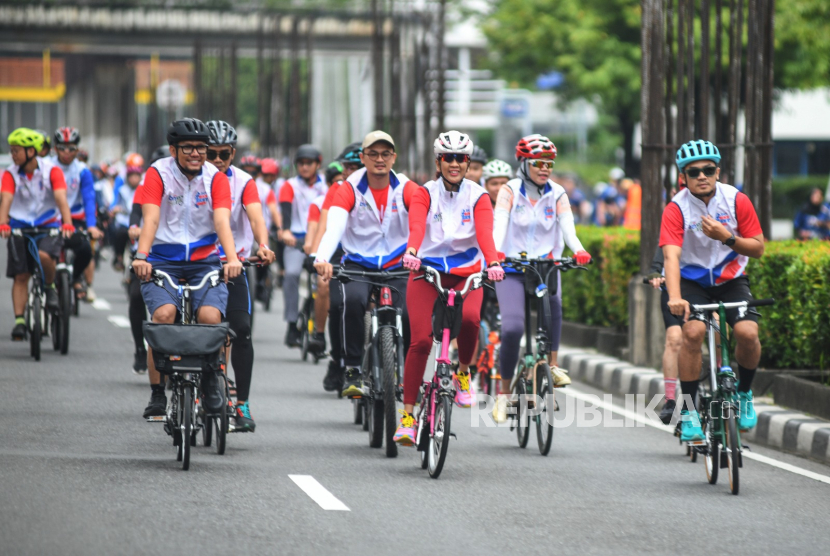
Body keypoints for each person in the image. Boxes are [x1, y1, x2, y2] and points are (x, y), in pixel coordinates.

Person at [392, 130, 505, 446]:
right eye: (448, 158)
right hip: (426, 271)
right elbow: (416, 226)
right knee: (420, 343)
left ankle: (463, 374)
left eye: (460, 158)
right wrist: (412, 251)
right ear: (438, 161)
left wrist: (493, 263)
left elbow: (485, 234)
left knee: (470, 321)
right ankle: (408, 417)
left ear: (468, 162)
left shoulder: (479, 196)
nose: (454, 163)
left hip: (467, 273)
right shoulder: (424, 193)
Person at [132, 118, 242, 419]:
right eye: (188, 148)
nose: (196, 153)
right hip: (162, 259)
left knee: (210, 317)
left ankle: (210, 380)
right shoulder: (158, 173)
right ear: (173, 149)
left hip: (204, 261)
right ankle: (157, 391)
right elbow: (151, 218)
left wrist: (231, 259)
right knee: (163, 316)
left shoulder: (215, 178)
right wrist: (142, 256)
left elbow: (222, 222)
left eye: (201, 148)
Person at [660, 139, 766, 441]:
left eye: (708, 170)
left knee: (747, 333)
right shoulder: (676, 208)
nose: (701, 176)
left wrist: (727, 237)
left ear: (718, 172)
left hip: (731, 279)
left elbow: (758, 249)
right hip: (692, 282)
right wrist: (676, 297)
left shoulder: (736, 200)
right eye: (694, 172)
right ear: (683, 178)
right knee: (691, 334)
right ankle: (691, 410)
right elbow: (671, 255)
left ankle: (745, 394)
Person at [490, 134, 592, 422]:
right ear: (523, 164)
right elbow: (500, 223)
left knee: (554, 305)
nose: (545, 168)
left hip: (545, 267)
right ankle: (503, 394)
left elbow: (568, 227)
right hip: (510, 268)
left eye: (549, 163)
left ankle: (553, 365)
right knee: (511, 329)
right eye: (538, 163)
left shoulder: (557, 193)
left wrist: (580, 250)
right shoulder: (509, 191)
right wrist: (496, 252)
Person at [314, 131, 417, 397]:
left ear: (393, 157)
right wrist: (322, 257)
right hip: (359, 262)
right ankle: (351, 368)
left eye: (385, 154)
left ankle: (408, 374)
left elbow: (421, 221)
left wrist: (420, 253)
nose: (379, 159)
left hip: (398, 264)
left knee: (408, 314)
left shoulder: (407, 188)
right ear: (363, 158)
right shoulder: (348, 188)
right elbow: (334, 227)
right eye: (372, 154)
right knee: (352, 302)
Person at [205, 120, 275, 432]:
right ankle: (189, 390)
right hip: (199, 265)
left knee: (242, 330)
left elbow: (256, 215)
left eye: (224, 154)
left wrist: (263, 244)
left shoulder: (245, 182)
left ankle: (242, 403)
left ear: (233, 153)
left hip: (234, 266)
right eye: (211, 154)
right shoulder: (193, 179)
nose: (217, 160)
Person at [0, 128, 74, 340]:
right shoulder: (10, 173)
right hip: (20, 226)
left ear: (31, 151)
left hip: (47, 224)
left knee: (44, 257)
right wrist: (3, 223)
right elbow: (5, 199)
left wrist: (67, 223)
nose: (13, 155)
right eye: (11, 151)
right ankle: (20, 321)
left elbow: (61, 198)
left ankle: (50, 286)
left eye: (16, 151)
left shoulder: (52, 171)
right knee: (21, 275)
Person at [310, 141, 363, 392]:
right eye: (347, 167)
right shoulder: (338, 189)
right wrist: (318, 256)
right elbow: (325, 226)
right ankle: (336, 358)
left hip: (369, 254)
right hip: (338, 251)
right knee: (337, 302)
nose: (350, 172)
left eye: (356, 167)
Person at [279, 144, 327, 347]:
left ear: (318, 164)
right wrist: (286, 231)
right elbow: (286, 212)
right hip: (297, 241)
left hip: (321, 240)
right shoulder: (289, 185)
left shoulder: (326, 185)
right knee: (291, 274)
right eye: (301, 163)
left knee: (326, 283)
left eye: (309, 163)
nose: (305, 167)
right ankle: (291, 324)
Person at [52, 127, 103, 301]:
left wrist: (91, 226)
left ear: (77, 150)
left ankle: (74, 277)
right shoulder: (48, 167)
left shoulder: (82, 170)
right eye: (62, 148)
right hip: (51, 219)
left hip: (75, 219)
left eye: (71, 148)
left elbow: (89, 199)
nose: (67, 152)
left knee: (86, 250)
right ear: (55, 148)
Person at [647, 246, 683, 424]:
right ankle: (670, 400)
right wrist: (655, 274)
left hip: (709, 289)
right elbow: (659, 260)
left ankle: (721, 383)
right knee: (674, 339)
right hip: (674, 291)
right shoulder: (676, 221)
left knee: (717, 326)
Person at [110, 153, 144, 272]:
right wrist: (114, 209)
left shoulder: (144, 187)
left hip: (140, 221)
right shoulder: (122, 188)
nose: (134, 178)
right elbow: (114, 202)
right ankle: (119, 256)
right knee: (119, 233)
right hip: (125, 220)